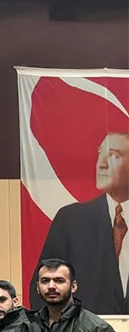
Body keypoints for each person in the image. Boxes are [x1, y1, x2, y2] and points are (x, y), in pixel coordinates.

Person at [32, 131, 129, 315]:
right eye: (100, 153)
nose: (101, 163)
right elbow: (41, 289)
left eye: (113, 155)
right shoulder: (70, 220)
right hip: (83, 330)